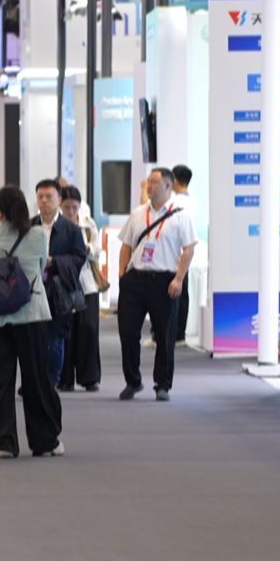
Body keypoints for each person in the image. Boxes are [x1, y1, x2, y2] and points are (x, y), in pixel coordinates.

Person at [0, 187, 64, 457]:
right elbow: (39, 268)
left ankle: (4, 442)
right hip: (31, 315)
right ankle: (45, 441)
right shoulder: (38, 236)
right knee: (37, 379)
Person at [116, 167, 199, 402]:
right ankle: (133, 381)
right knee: (128, 333)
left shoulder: (180, 215)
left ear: (168, 186)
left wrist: (178, 279)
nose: (149, 186)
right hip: (135, 279)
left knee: (164, 335)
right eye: (149, 182)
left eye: (154, 182)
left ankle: (162, 384)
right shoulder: (138, 213)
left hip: (165, 280)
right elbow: (126, 245)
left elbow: (189, 249)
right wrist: (122, 274)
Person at [33, 179, 88, 387]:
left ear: (59, 199)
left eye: (49, 197)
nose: (44, 201)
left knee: (56, 338)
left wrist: (54, 261)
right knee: (33, 338)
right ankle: (34, 380)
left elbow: (79, 257)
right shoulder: (29, 226)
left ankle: (52, 382)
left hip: (59, 290)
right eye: (40, 197)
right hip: (33, 290)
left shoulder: (70, 229)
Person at [58, 186, 103, 392]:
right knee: (66, 330)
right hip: (63, 283)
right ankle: (64, 378)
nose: (70, 211)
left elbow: (97, 251)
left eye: (74, 207)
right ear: (61, 204)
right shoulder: (56, 225)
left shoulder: (88, 223)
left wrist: (87, 248)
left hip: (87, 283)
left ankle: (89, 377)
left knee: (89, 329)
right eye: (67, 207)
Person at [169, 164, 197, 346]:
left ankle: (173, 333)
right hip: (185, 253)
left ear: (175, 181)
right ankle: (179, 334)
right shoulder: (193, 201)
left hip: (173, 253)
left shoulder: (174, 202)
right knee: (183, 293)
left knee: (173, 294)